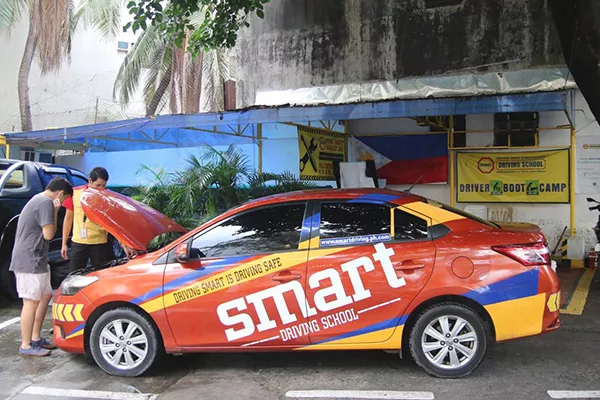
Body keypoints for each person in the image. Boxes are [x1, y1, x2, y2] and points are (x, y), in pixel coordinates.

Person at [10, 177, 73, 356]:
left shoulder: (39, 199)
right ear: (60, 194)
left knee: (45, 295)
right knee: (30, 302)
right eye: (64, 199)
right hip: (29, 259)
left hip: (38, 259)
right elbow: (48, 234)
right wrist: (55, 210)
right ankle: (26, 345)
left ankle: (36, 338)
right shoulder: (46, 203)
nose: (63, 203)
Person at [61, 167, 135, 272]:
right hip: (79, 242)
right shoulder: (75, 193)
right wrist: (64, 243)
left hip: (99, 243)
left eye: (103, 186)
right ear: (90, 181)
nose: (100, 189)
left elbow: (113, 223)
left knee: (100, 275)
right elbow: (68, 218)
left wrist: (123, 244)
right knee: (74, 274)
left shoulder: (107, 197)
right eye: (98, 185)